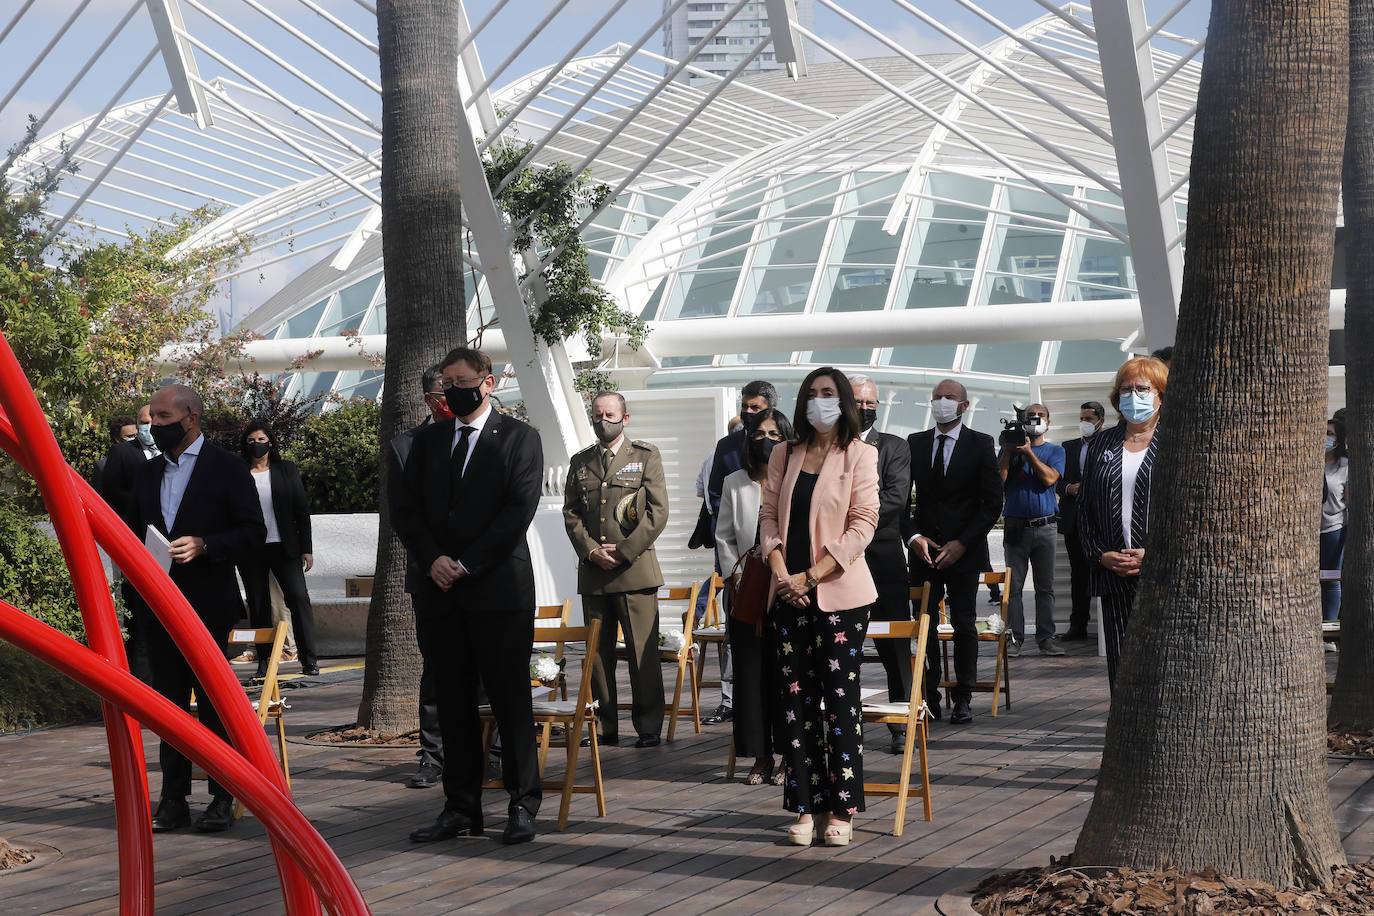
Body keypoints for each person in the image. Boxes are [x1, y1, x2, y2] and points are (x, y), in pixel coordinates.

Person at [394, 346, 545, 846]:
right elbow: (406, 510)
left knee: (509, 702)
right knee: (453, 705)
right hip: (439, 596)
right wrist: (433, 558)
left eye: (462, 380)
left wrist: (466, 562)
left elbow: (517, 510)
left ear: (489, 381)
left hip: (498, 593)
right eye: (446, 382)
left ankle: (523, 804)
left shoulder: (520, 438)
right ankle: (460, 808)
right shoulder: (427, 441)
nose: (452, 390)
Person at [128, 384, 266, 833]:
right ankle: (173, 798)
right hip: (159, 605)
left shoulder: (226, 468)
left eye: (163, 419)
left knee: (214, 703)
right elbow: (133, 531)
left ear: (190, 417)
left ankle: (223, 796)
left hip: (208, 603)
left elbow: (253, 532)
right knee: (169, 703)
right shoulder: (147, 473)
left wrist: (207, 545)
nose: (154, 426)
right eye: (152, 420)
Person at [760, 367, 879, 847]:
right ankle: (804, 805)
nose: (819, 401)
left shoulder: (860, 454)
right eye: (812, 394)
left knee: (839, 702)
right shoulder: (783, 453)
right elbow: (768, 516)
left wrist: (812, 575)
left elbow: (863, 524)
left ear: (845, 401)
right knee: (794, 704)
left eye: (829, 394)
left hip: (839, 597)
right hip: (786, 594)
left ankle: (842, 807)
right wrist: (782, 573)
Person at [563, 391, 671, 748]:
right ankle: (604, 725)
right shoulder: (580, 462)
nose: (602, 420)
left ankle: (649, 726)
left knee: (643, 653)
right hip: (595, 573)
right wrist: (592, 551)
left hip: (635, 571)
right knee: (597, 657)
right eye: (597, 414)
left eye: (609, 414)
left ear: (625, 418)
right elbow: (572, 513)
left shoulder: (645, 455)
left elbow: (658, 512)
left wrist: (624, 552)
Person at [901, 379, 1003, 726]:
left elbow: (992, 504)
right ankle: (929, 695)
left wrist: (963, 543)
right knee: (924, 625)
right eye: (937, 397)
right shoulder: (915, 443)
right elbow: (900, 500)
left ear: (964, 405)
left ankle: (963, 696)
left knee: (963, 624)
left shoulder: (980, 444)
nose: (942, 402)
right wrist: (914, 537)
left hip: (964, 551)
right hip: (924, 553)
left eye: (950, 398)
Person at [1077, 356, 1168, 690]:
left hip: (1162, 574)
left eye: (1143, 389)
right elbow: (1083, 511)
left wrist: (1155, 554)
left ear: (1161, 395)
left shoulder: (1176, 442)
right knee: (1122, 666)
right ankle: (1124, 737)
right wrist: (1101, 555)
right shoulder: (1102, 444)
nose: (1134, 396)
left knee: (1162, 664)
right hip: (1113, 573)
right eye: (1127, 389)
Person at [716, 407, 793, 786]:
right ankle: (761, 756)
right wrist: (737, 572)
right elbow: (724, 535)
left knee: (786, 674)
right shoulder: (735, 482)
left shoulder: (796, 476)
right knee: (750, 673)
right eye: (760, 434)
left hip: (789, 586)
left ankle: (788, 755)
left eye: (776, 435)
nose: (768, 441)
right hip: (747, 586)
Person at [388, 364, 452, 789]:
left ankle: (494, 752)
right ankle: (433, 755)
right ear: (430, 399)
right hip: (430, 576)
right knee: (437, 670)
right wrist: (434, 561)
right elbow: (403, 515)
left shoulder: (495, 436)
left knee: (486, 669)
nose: (453, 400)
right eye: (445, 394)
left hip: (479, 574)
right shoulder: (406, 446)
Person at [703, 380, 778, 725]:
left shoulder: (786, 443)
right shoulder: (728, 447)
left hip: (783, 574)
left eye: (755, 407)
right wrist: (733, 570)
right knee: (739, 637)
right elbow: (717, 503)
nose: (748, 413)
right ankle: (731, 698)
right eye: (745, 407)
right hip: (741, 569)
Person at [851, 375, 919, 741]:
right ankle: (844, 726)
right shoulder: (827, 447)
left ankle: (901, 728)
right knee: (840, 648)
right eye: (858, 402)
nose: (865, 409)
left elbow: (895, 500)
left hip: (882, 559)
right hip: (836, 565)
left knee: (894, 647)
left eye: (871, 403)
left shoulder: (893, 447)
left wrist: (850, 525)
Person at [235, 422, 320, 678]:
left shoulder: (286, 469)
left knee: (299, 600)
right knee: (259, 606)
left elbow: (301, 511)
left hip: (285, 547)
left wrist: (307, 549)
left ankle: (309, 660)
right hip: (252, 550)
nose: (256, 444)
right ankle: (263, 664)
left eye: (261, 439)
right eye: (251, 440)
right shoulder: (238, 473)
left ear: (270, 442)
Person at [999, 404, 1066, 658]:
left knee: (1045, 587)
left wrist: (1028, 453)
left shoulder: (1055, 450)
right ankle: (1015, 639)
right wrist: (1008, 450)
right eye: (1030, 417)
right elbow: (999, 481)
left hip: (1046, 525)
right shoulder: (1008, 450)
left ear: (1048, 421)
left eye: (1040, 417)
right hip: (1015, 526)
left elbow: (1050, 479)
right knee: (1013, 588)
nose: (1035, 420)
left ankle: (1046, 639)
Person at [1056, 401, 1106, 641]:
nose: (1084, 423)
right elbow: (1056, 479)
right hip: (1074, 519)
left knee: (1104, 570)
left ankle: (1108, 626)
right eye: (1082, 418)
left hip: (1102, 520)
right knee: (1078, 573)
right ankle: (1078, 625)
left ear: (1100, 422)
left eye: (1089, 418)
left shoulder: (1111, 443)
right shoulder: (1068, 447)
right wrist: (1068, 488)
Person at [1321, 417, 1348, 627]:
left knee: (1331, 580)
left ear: (1338, 441)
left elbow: (1347, 501)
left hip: (1333, 529)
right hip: (1307, 531)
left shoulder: (1344, 466)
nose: (1325, 438)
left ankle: (1329, 628)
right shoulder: (1307, 461)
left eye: (1330, 434)